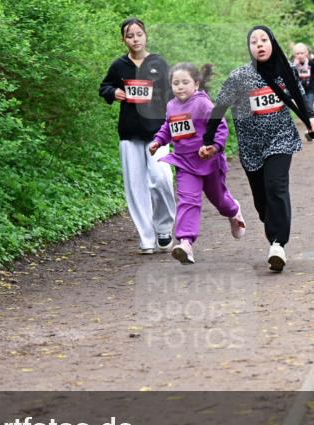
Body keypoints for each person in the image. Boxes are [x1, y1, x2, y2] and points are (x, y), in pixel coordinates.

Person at [199, 26, 314, 273]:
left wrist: (311, 117)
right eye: (254, 41)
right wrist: (208, 139)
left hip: (281, 138)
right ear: (249, 48)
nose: (260, 45)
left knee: (277, 187)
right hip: (251, 146)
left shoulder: (284, 71)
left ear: (272, 43)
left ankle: (277, 244)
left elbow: (298, 95)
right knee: (262, 200)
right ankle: (273, 227)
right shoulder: (239, 77)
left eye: (264, 40)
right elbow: (219, 108)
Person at [148, 63, 246, 265]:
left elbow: (219, 125)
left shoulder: (202, 104)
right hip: (185, 163)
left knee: (220, 201)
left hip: (208, 162)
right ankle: (185, 243)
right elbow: (168, 126)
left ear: (196, 84)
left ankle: (233, 210)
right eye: (176, 83)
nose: (180, 87)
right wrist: (159, 140)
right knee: (188, 200)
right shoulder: (171, 106)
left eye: (185, 82)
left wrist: (214, 146)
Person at [99, 17, 177, 254]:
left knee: (161, 179)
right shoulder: (119, 66)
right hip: (129, 133)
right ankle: (146, 237)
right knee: (135, 187)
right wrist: (114, 92)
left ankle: (163, 228)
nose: (135, 39)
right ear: (123, 39)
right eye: (129, 35)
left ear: (146, 35)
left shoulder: (158, 63)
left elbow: (172, 93)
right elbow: (104, 87)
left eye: (138, 34)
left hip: (157, 133)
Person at [291, 43, 314, 121]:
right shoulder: (292, 65)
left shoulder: (312, 63)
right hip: (299, 88)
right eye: (297, 53)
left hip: (311, 88)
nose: (300, 55)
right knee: (303, 107)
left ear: (306, 53)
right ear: (294, 55)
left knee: (309, 105)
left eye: (302, 53)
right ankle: (308, 119)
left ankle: (312, 122)